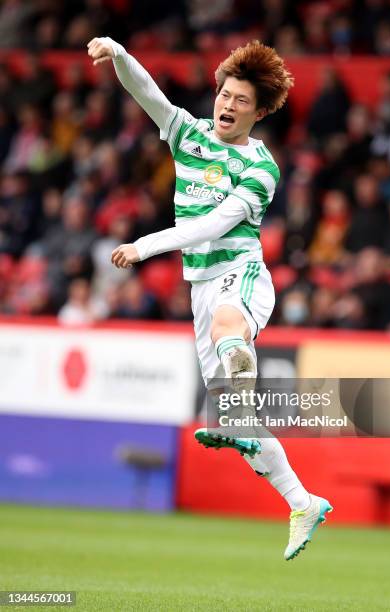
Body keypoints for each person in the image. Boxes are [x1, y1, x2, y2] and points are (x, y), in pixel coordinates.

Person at [87, 36, 332, 560]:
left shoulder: (261, 168)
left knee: (228, 331)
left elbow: (216, 224)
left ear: (260, 112)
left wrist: (144, 245)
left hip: (240, 274)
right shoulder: (188, 135)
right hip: (200, 284)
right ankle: (302, 500)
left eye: (242, 100)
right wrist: (120, 53)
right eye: (225, 93)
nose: (228, 104)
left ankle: (233, 400)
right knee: (238, 408)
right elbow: (148, 93)